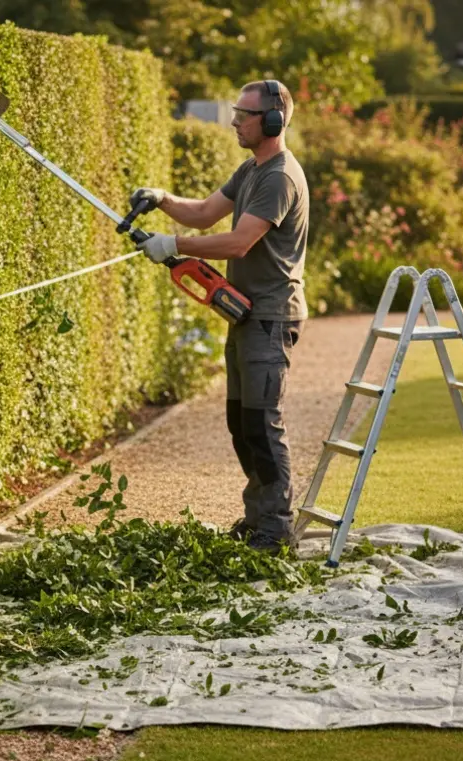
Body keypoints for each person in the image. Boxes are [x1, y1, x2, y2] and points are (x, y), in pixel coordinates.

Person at [130, 79, 308, 550]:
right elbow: (207, 212)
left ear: (273, 121)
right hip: (245, 314)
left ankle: (276, 527)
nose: (234, 120)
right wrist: (164, 199)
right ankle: (258, 518)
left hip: (272, 316)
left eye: (244, 114)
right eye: (236, 111)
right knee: (240, 422)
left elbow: (238, 241)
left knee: (262, 424)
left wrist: (174, 245)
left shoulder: (280, 177)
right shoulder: (251, 170)